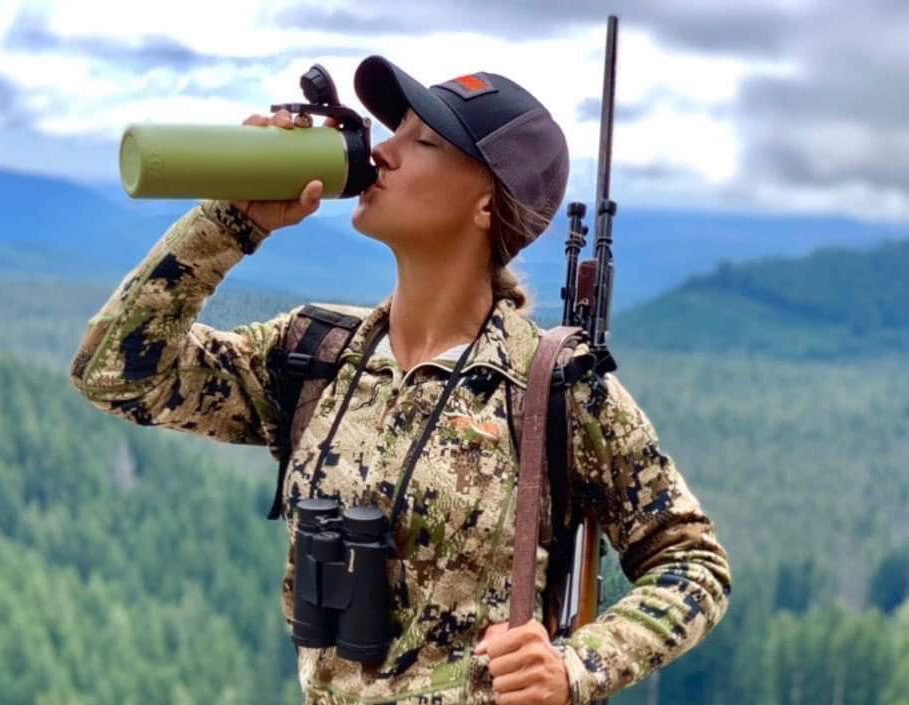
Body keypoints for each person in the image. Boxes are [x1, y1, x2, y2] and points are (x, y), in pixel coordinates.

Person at [69, 55, 732, 705]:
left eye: (423, 140)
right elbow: (115, 374)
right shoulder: (314, 353)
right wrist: (230, 222)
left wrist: (575, 667)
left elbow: (694, 561)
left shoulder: (552, 386)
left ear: (484, 202)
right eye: (393, 131)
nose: (382, 152)